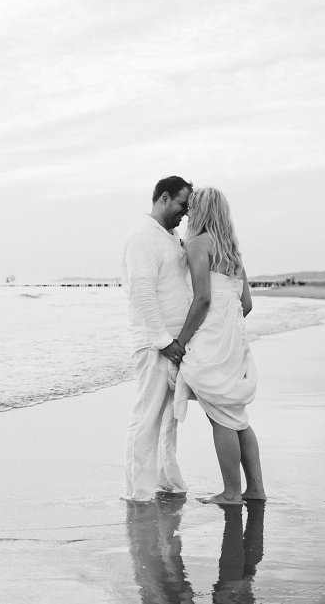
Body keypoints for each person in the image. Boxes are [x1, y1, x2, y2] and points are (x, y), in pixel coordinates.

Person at [172, 187, 266, 506]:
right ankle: (255, 489)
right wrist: (229, 327)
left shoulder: (198, 243)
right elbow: (247, 304)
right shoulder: (232, 252)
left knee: (222, 418)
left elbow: (202, 299)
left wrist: (181, 341)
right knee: (237, 416)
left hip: (211, 339)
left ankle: (230, 493)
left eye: (192, 207)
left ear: (201, 211)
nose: (187, 212)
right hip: (234, 341)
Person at [121, 175, 193, 502]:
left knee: (168, 419)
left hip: (174, 344)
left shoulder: (170, 235)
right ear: (164, 198)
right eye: (181, 205)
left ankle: (167, 481)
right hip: (155, 345)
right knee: (147, 418)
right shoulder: (143, 236)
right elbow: (142, 291)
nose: (185, 213)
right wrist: (164, 340)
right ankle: (139, 493)